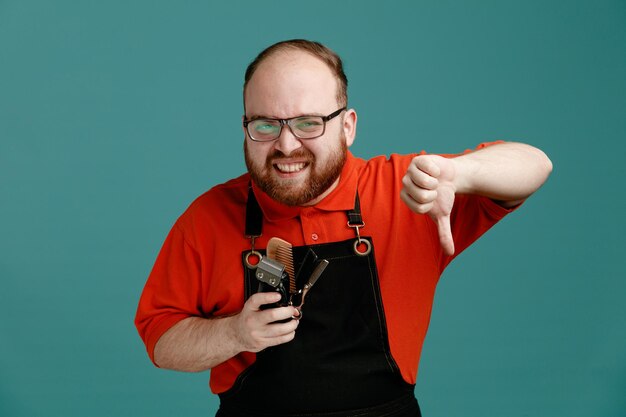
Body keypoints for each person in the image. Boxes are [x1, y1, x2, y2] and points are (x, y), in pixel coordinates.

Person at [135, 39, 552, 417]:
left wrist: (459, 173)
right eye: (265, 124)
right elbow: (161, 340)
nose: (286, 145)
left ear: (348, 126)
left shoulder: (408, 189)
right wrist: (235, 333)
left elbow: (535, 164)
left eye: (308, 122)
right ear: (245, 128)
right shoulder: (207, 217)